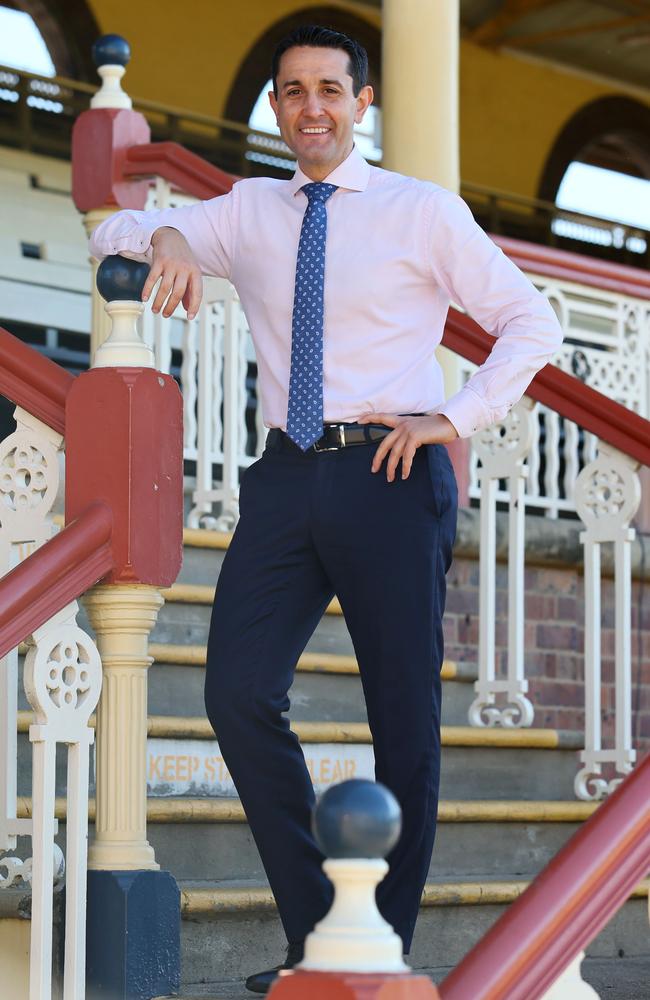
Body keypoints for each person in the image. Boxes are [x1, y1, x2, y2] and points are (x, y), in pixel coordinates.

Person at [89, 24, 563, 993]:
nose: (310, 107)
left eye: (329, 91)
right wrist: (172, 234)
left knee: (403, 717)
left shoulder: (419, 211)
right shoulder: (249, 209)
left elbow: (530, 320)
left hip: (389, 471)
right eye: (292, 90)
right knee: (234, 692)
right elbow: (109, 230)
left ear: (362, 104)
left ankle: (376, 953)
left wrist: (454, 415)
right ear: (275, 105)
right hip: (284, 472)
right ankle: (322, 936)